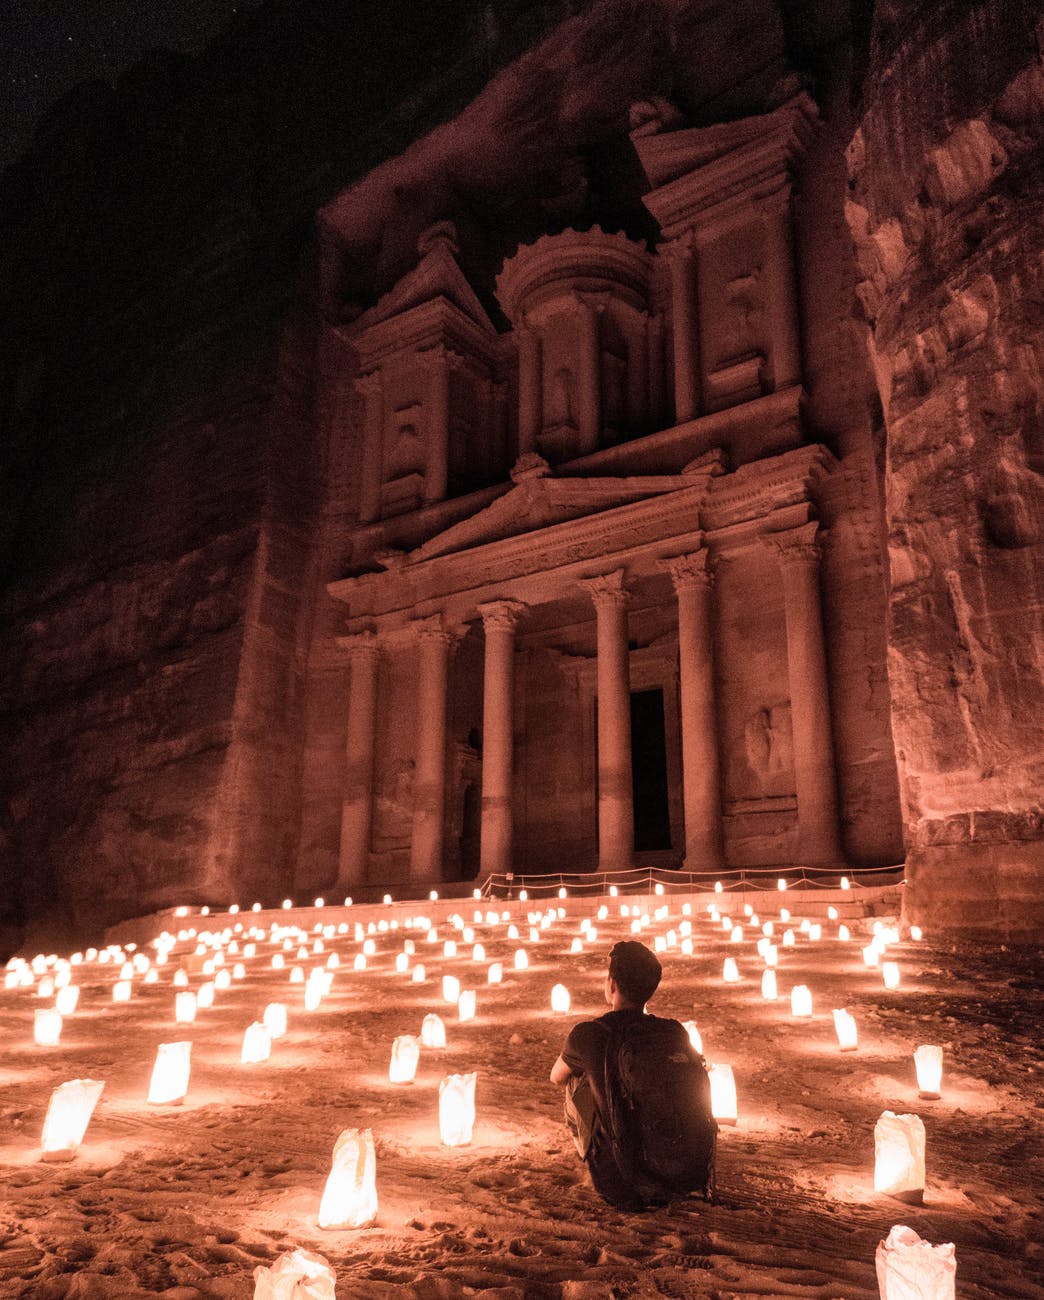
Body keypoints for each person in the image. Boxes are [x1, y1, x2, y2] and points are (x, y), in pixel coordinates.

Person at [549, 939, 669, 1209]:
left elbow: (556, 1077)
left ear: (612, 984)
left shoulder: (591, 1033)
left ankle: (600, 1150)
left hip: (620, 1183)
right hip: (677, 1171)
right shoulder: (673, 1032)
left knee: (576, 1078)